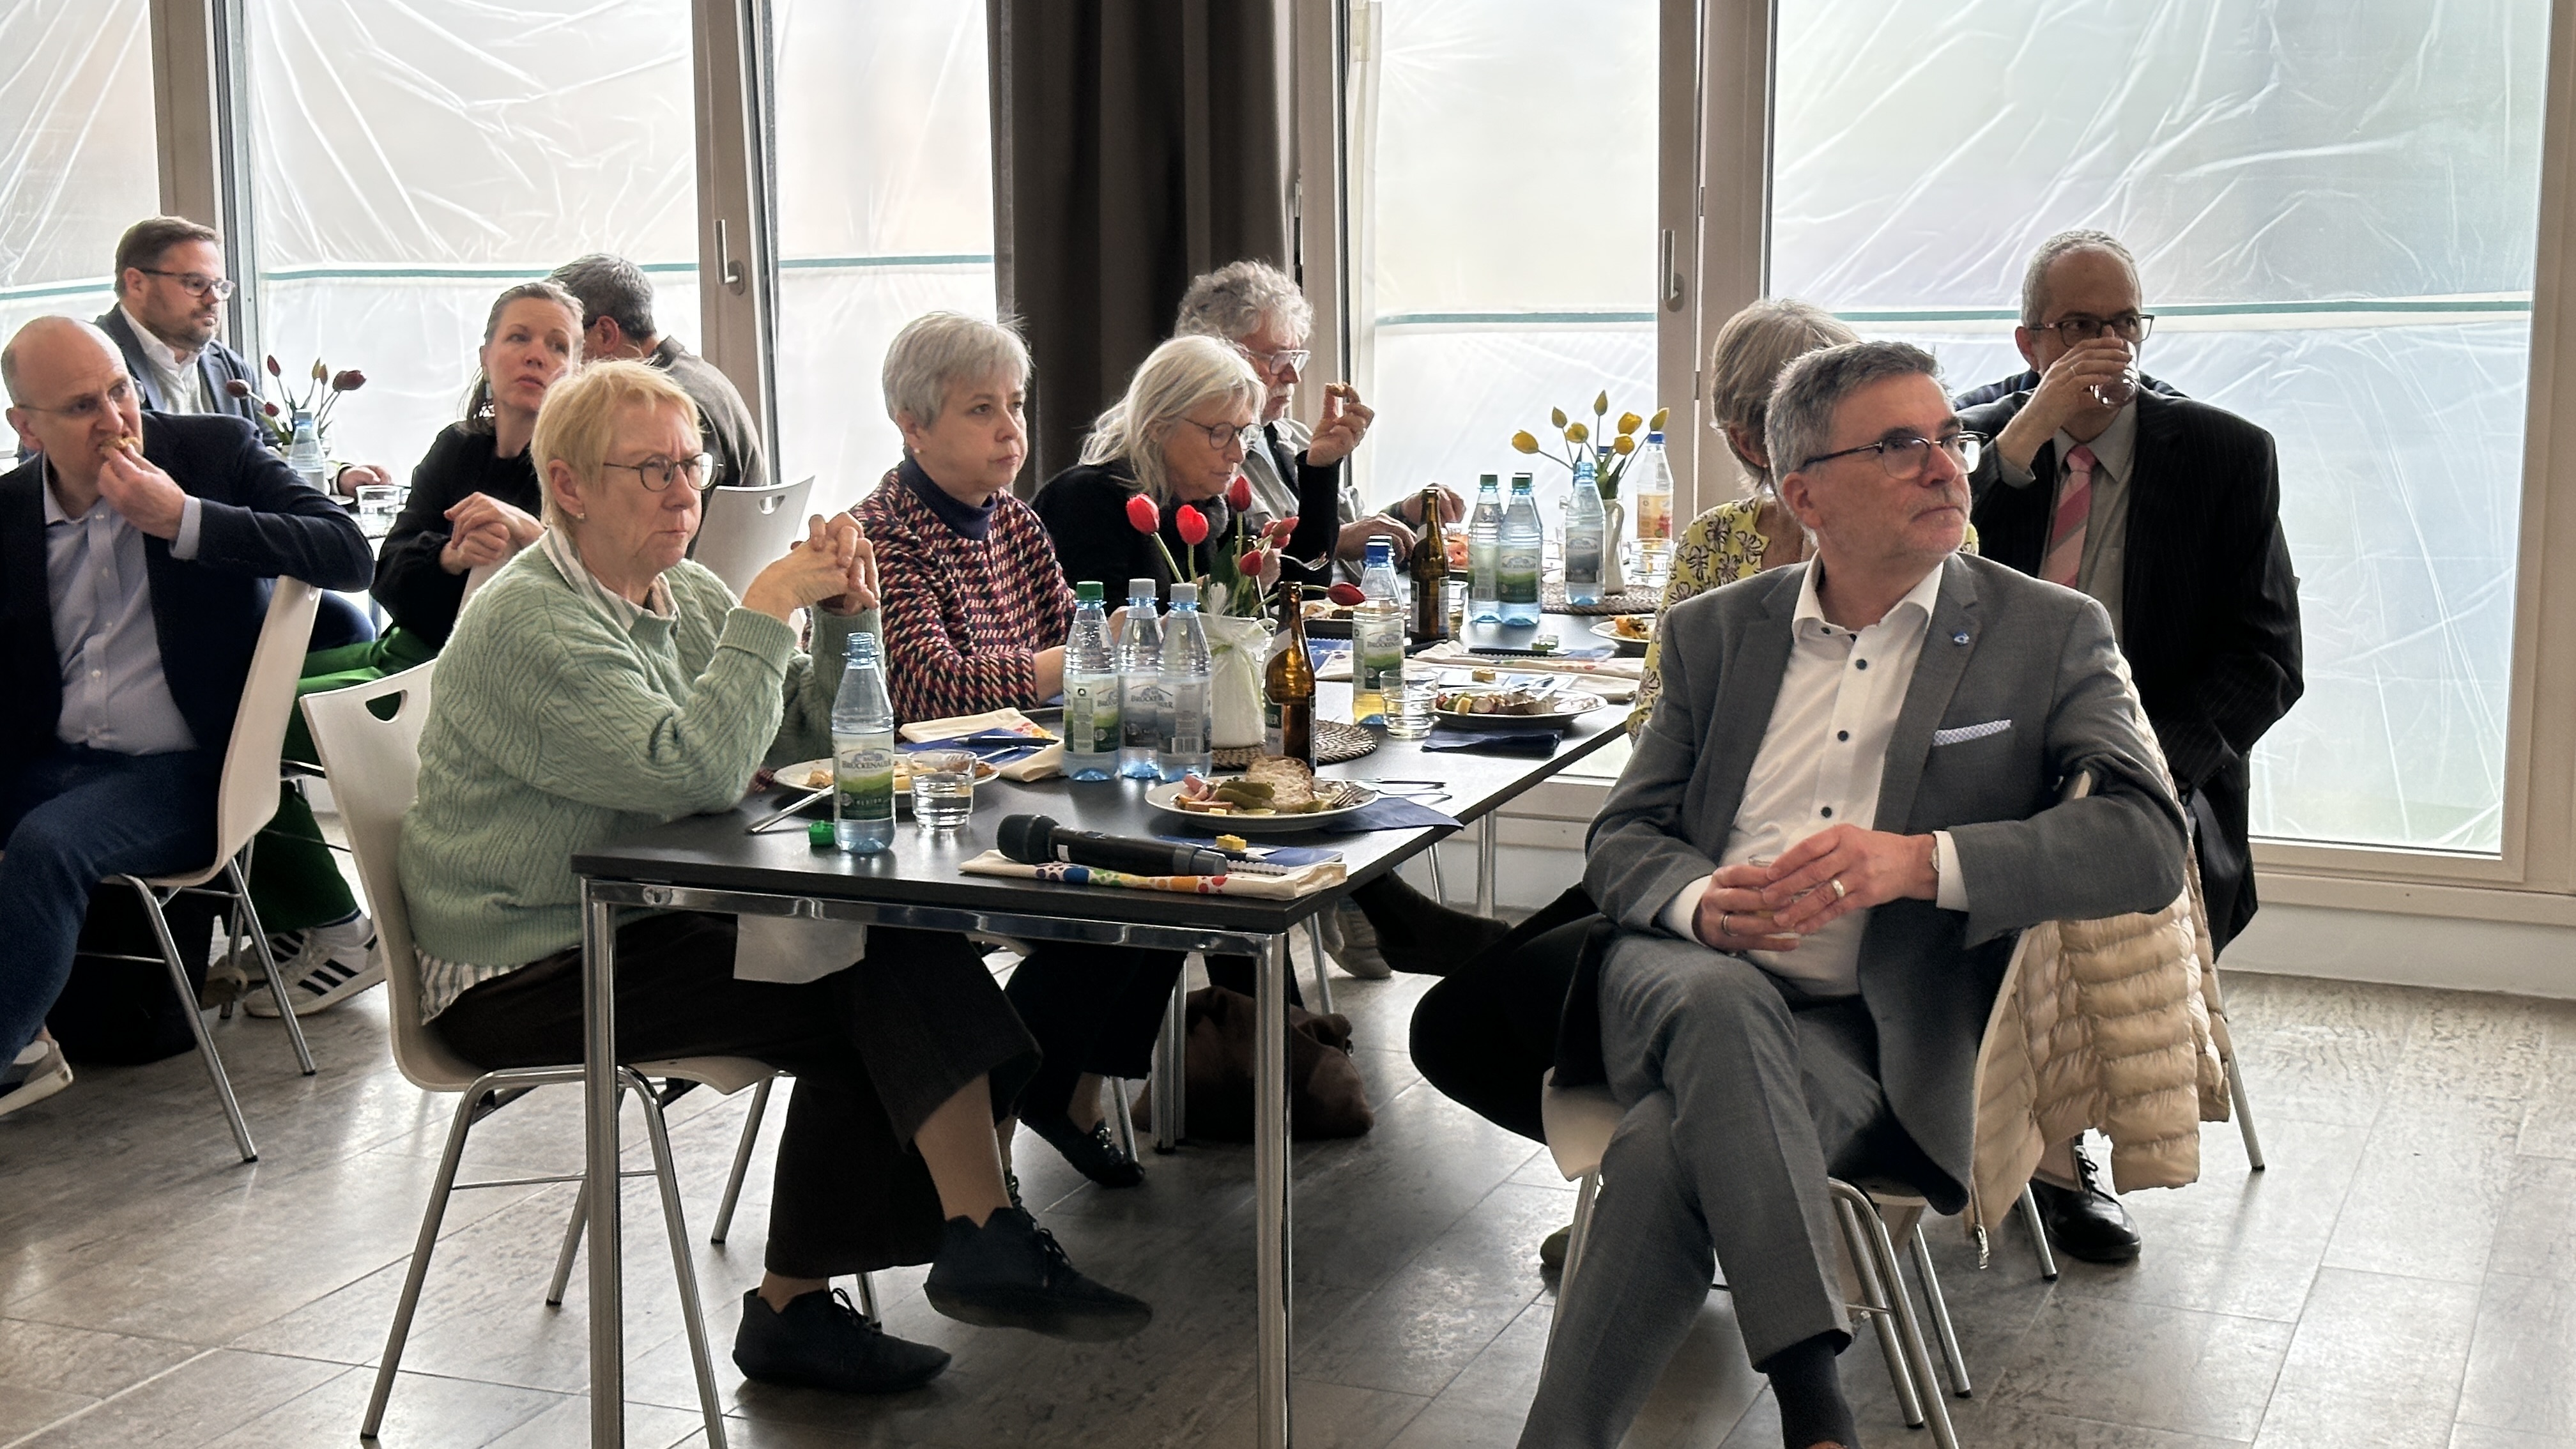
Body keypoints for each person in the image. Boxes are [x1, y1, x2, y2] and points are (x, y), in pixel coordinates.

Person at [401, 360, 1149, 1395]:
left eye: (690, 464)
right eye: (650, 468)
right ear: (567, 485)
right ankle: (964, 1234)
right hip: (520, 964)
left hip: (647, 917)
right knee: (862, 958)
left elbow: (807, 743)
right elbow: (698, 768)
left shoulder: (686, 591)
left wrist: (846, 615)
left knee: (872, 943)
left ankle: (849, 1286)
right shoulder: (532, 620)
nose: (680, 490)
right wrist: (764, 609)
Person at [1517, 340, 2188, 1449]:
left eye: (1947, 437)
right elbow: (1625, 835)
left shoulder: (2050, 634)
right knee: (1721, 1001)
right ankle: (1814, 1407)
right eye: (1898, 445)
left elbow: (2146, 843)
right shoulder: (1714, 631)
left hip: (1864, 1029)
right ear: (1802, 492)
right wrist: (1695, 903)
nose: (1944, 466)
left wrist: (1919, 860)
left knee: (1660, 1153)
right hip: (1675, 974)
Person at [1959, 230, 2303, 1262]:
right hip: (1982, 757)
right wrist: (2020, 445)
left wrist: (2153, 761)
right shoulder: (1977, 446)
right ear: (2028, 341)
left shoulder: (2222, 456)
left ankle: (2063, 1160)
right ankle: (1950, 1118)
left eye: (2124, 323)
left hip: (2149, 765)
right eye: (2077, 327)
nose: (2106, 349)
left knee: (2071, 859)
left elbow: (2267, 658)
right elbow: (1921, 592)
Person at [0, 317, 371, 1117]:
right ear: (24, 427)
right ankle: (22, 1034)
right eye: (79, 408)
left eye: (119, 390)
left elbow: (348, 551)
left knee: (47, 847)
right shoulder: (8, 511)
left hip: (188, 768)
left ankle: (8, 1055)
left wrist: (186, 520)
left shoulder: (214, 451)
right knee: (44, 828)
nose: (113, 420)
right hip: (50, 759)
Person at [1172, 259, 1455, 569]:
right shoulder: (1206, 462)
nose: (1293, 376)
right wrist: (1340, 540)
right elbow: (1239, 577)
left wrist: (1405, 514)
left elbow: (1361, 536)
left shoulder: (1293, 435)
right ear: (1221, 358)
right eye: (1278, 359)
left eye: (1296, 358)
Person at [98, 215, 394, 499]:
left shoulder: (227, 367)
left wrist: (336, 477)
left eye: (220, 287)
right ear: (136, 283)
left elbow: (267, 453)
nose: (213, 299)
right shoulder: (93, 363)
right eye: (196, 284)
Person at [1031, 334, 1340, 597]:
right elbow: (1105, 632)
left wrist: (1321, 466)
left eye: (1244, 434)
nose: (1237, 453)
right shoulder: (1086, 499)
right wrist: (1226, 586)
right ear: (1157, 424)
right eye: (1219, 433)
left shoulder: (1214, 506)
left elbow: (1301, 588)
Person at [370, 280, 581, 654]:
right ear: (486, 357)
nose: (536, 356)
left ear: (575, 373)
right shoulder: (455, 447)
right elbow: (385, 576)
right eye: (518, 338)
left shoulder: (582, 470)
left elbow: (597, 600)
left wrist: (530, 533)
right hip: (411, 656)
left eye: (557, 346)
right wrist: (450, 557)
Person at [548, 252, 767, 495]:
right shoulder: (697, 374)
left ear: (606, 334)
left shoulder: (667, 408)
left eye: (564, 343)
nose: (563, 364)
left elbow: (677, 516)